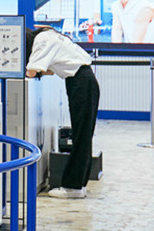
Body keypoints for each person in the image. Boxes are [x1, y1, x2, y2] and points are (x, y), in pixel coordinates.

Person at [27, 25, 100, 198]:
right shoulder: (48, 35)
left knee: (81, 136)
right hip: (84, 80)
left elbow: (31, 71)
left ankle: (73, 187)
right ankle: (79, 185)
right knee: (83, 135)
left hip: (81, 83)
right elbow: (50, 71)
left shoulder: (41, 41)